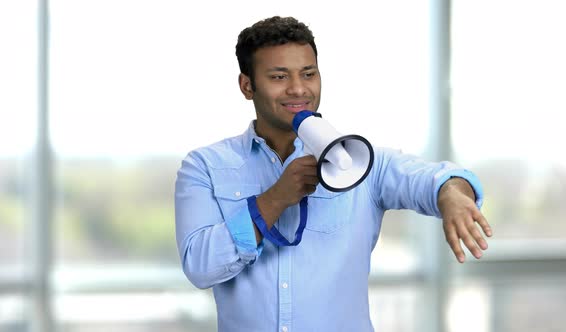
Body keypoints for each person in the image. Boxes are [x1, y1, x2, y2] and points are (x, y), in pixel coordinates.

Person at [175, 16, 492, 332]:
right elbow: (201, 267)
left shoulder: (359, 160)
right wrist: (275, 199)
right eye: (279, 76)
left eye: (308, 74)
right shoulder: (205, 166)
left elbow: (431, 178)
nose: (298, 88)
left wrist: (452, 192)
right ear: (247, 85)